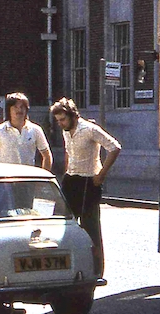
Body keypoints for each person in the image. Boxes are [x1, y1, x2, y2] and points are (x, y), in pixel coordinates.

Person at [50, 97, 121, 278]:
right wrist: (67, 171)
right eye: (58, 121)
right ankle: (64, 265)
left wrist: (101, 174)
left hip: (89, 181)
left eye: (63, 119)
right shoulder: (66, 131)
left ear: (73, 115)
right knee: (62, 222)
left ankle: (96, 269)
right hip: (71, 179)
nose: (60, 124)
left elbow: (114, 147)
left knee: (90, 227)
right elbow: (68, 153)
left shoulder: (89, 129)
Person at [0, 93, 52, 170]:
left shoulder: (35, 130)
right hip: (6, 181)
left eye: (22, 107)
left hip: (28, 180)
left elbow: (47, 156)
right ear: (9, 110)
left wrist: (41, 179)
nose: (19, 110)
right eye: (15, 107)